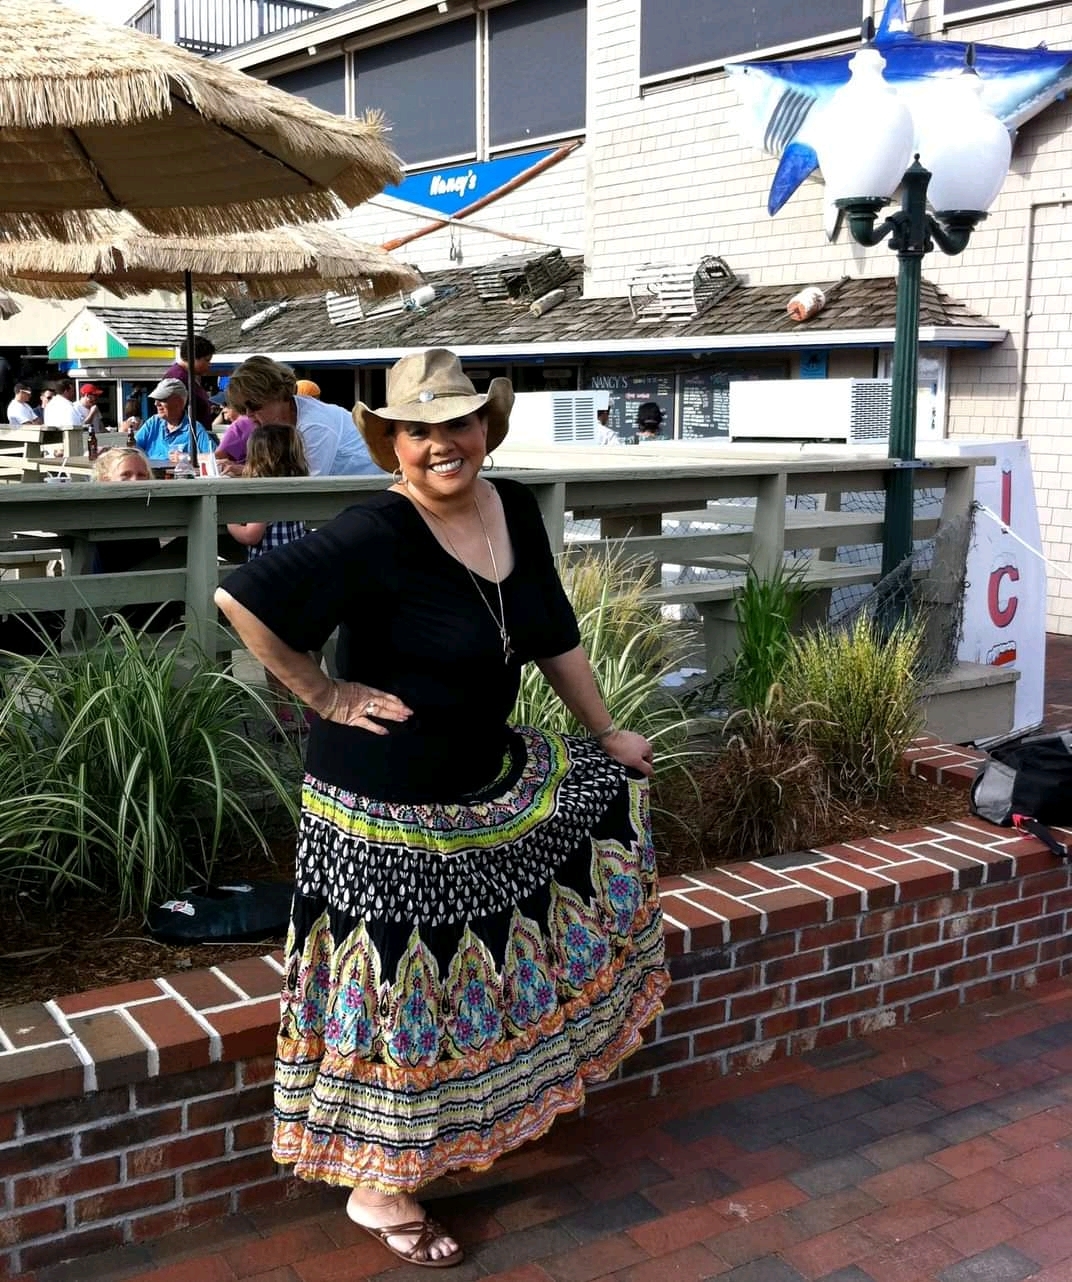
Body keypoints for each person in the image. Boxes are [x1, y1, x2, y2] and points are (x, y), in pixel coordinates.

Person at [214, 348, 666, 1268]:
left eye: (456, 422)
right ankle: (378, 1186)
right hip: (379, 802)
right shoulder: (376, 529)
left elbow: (552, 632)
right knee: (396, 990)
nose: (440, 443)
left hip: (474, 778)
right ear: (394, 444)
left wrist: (608, 730)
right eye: (418, 430)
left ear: (483, 428)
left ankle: (465, 1121)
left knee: (492, 938)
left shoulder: (514, 508)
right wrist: (326, 693)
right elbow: (242, 595)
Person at [226, 423, 310, 732]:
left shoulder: (262, 488)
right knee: (300, 647)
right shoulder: (299, 482)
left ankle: (283, 714)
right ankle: (308, 709)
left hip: (269, 579)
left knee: (272, 650)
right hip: (299, 572)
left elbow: (252, 534)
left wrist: (229, 523)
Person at [225, 357, 379, 477]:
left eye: (254, 405)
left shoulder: (315, 425)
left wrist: (248, 472)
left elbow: (306, 485)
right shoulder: (288, 420)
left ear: (278, 394)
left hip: (368, 492)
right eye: (243, 409)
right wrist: (245, 471)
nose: (249, 414)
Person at [127, 377, 217, 466]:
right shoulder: (153, 423)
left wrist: (186, 457)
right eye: (155, 399)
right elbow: (132, 450)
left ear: (178, 402)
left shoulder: (194, 429)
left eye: (162, 399)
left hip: (180, 475)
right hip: (151, 474)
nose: (156, 403)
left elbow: (215, 458)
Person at [163, 336, 216, 430]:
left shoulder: (188, 377)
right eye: (207, 360)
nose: (209, 364)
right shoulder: (177, 379)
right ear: (193, 357)